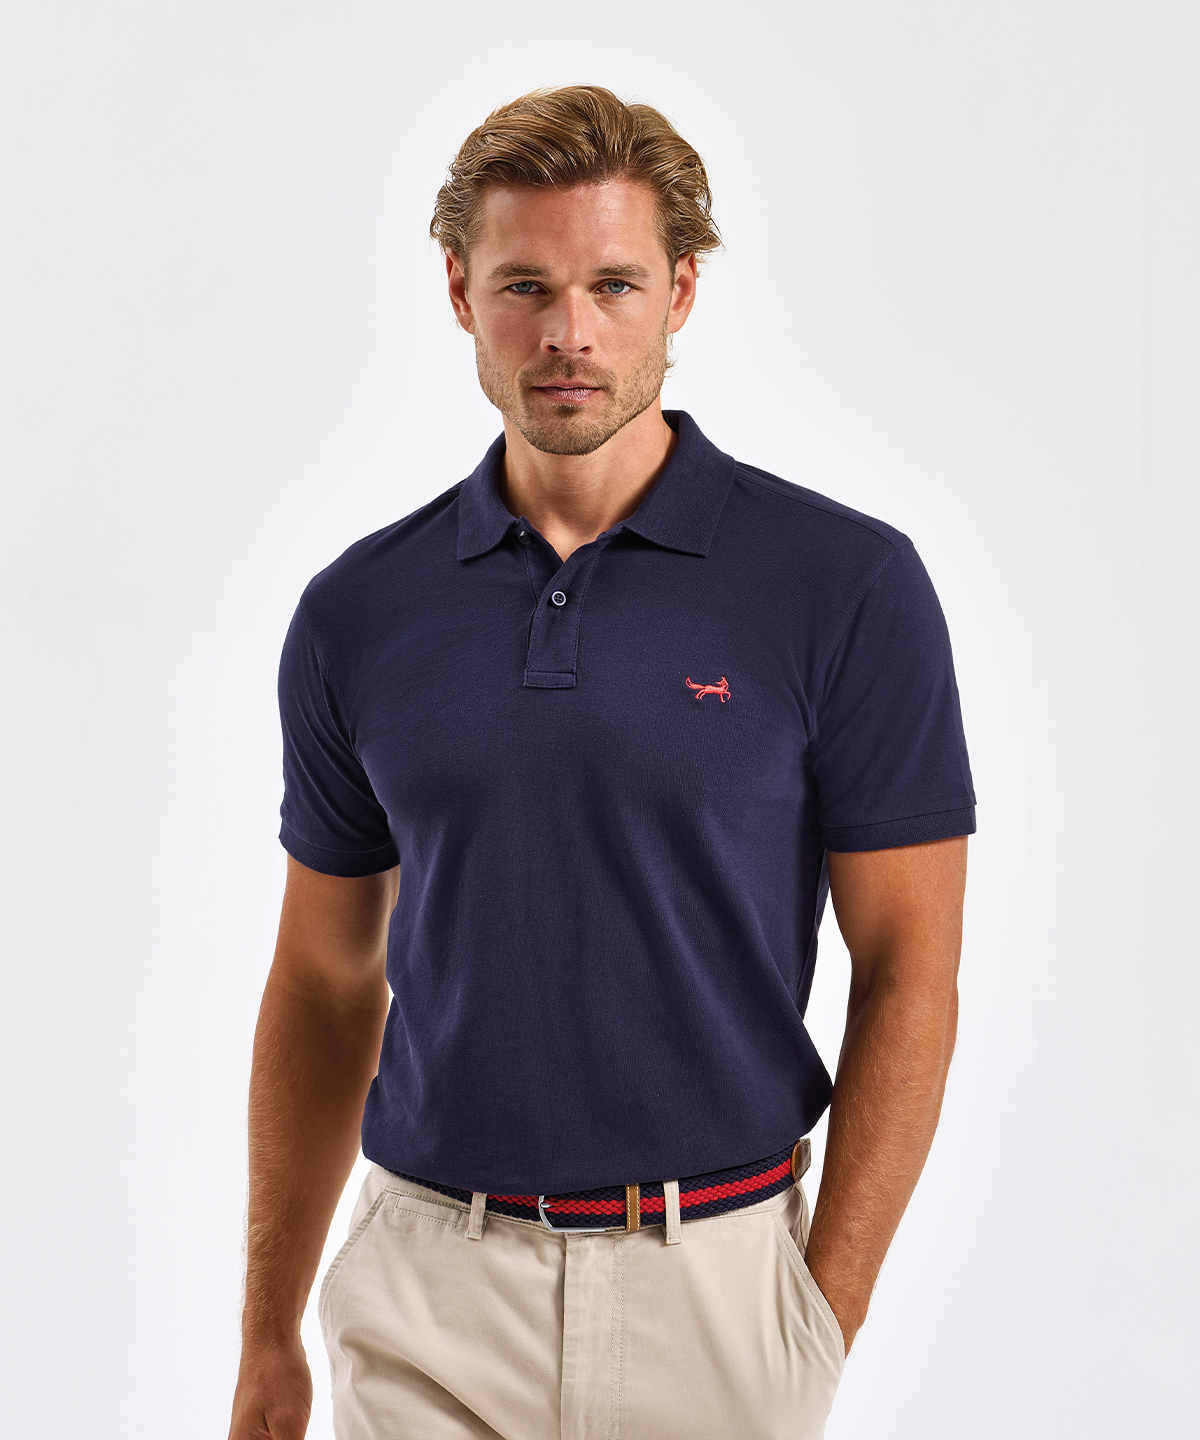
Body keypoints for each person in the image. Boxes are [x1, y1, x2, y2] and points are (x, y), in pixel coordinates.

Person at [227, 85, 975, 1440]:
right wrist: (265, 1333)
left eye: (613, 285)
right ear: (459, 292)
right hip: (427, 1292)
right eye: (524, 285)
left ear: (680, 292)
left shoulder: (844, 586)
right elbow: (325, 984)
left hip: (717, 1287)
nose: (567, 334)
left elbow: (912, 968)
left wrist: (821, 1313)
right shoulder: (361, 612)